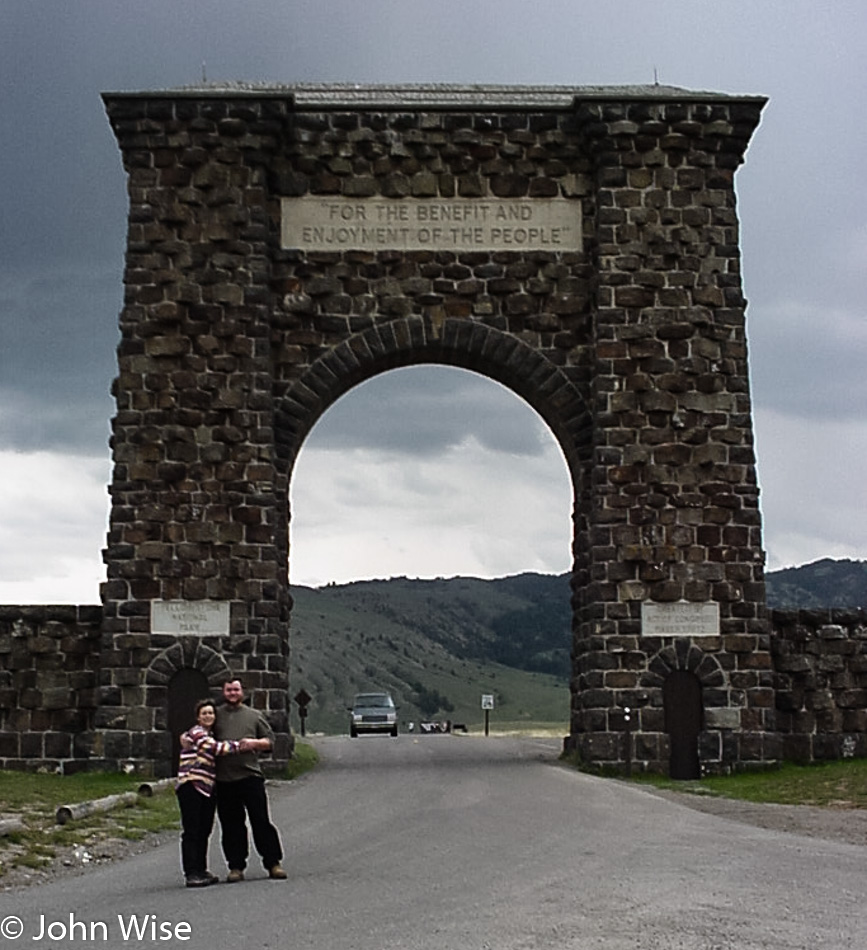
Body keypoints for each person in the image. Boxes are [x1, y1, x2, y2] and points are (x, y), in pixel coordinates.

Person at [213, 677, 286, 882]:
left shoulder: (254, 716)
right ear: (223, 692)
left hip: (250, 776)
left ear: (242, 692)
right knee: (231, 825)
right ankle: (236, 866)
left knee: (261, 821)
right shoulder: (216, 715)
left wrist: (254, 743)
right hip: (224, 779)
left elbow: (270, 742)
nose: (232, 693)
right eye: (229, 690)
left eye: (236, 689)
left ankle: (273, 863)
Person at [175, 698, 249, 888]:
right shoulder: (198, 733)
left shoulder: (209, 733)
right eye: (204, 713)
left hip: (207, 788)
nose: (208, 716)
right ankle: (191, 872)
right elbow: (214, 748)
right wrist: (243, 745)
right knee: (192, 830)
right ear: (198, 718)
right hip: (191, 784)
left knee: (204, 830)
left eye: (211, 713)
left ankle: (201, 869)